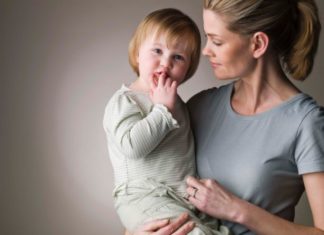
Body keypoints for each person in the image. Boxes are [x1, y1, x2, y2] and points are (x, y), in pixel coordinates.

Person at [132, 0, 324, 234]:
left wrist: (236, 209)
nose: (205, 50)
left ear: (258, 44)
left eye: (217, 41)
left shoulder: (305, 122)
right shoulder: (199, 107)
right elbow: (145, 187)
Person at [103, 8, 230, 235]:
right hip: (143, 197)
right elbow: (132, 147)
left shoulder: (179, 104)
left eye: (178, 57)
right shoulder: (126, 101)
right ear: (137, 54)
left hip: (179, 199)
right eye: (157, 51)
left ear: (187, 70)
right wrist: (162, 110)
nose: (166, 63)